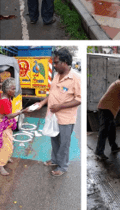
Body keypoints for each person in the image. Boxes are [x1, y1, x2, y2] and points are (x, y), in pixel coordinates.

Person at [36, 48, 81, 176]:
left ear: (65, 63)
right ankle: (55, 160)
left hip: (66, 118)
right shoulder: (56, 76)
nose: (54, 65)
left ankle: (62, 167)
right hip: (53, 116)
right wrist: (41, 103)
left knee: (64, 144)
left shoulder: (75, 79)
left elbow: (79, 99)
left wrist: (60, 107)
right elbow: (51, 94)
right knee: (54, 139)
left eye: (56, 63)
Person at [0, 78, 28, 176]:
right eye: (13, 89)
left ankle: (4, 158)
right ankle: (1, 165)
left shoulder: (2, 95)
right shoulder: (5, 101)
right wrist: (22, 111)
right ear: (8, 91)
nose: (15, 91)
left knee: (4, 142)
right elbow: (9, 115)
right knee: (6, 145)